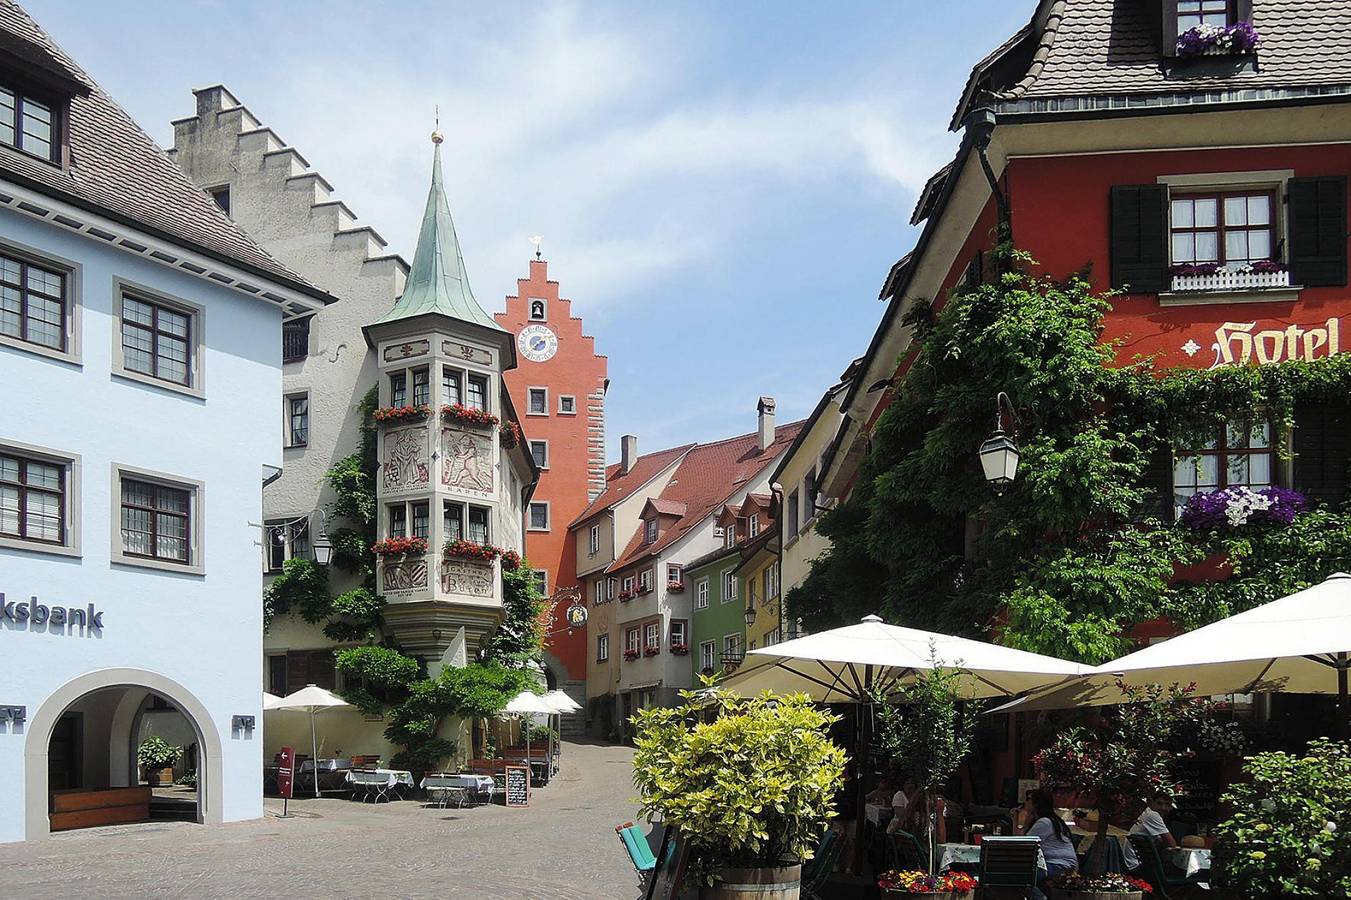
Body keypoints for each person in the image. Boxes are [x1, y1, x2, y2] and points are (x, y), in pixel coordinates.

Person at [1015, 789, 1078, 900]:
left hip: (1059, 865)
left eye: (1028, 799)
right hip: (1054, 864)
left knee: (1019, 875)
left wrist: (1020, 822)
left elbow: (1022, 845)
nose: (1025, 802)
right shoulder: (1049, 821)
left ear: (1037, 803)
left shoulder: (1045, 822)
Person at [1123, 792, 1178, 871]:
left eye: (1167, 805)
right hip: (1138, 866)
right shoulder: (1153, 815)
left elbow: (1161, 841)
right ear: (1151, 802)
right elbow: (1172, 845)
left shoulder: (1147, 812)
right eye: (1159, 804)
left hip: (1133, 863)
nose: (1163, 808)